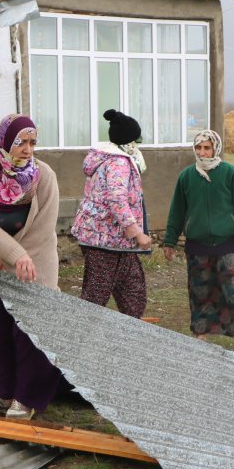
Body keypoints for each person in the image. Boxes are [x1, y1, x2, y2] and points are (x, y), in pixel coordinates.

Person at [0, 114, 67, 420]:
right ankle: (4, 393)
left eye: (33, 142)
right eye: (21, 142)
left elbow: (44, 227)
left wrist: (17, 255)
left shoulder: (43, 176)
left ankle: (27, 397)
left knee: (28, 330)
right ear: (6, 140)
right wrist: (4, 254)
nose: (28, 149)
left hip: (33, 260)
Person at [162, 129, 234, 356]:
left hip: (227, 242)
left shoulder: (231, 174)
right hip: (197, 244)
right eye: (198, 147)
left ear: (216, 148)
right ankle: (200, 335)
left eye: (207, 147)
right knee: (200, 291)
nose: (202, 152)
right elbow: (177, 212)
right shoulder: (186, 176)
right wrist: (169, 240)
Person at [70, 109, 151, 318]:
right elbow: (116, 199)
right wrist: (137, 232)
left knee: (133, 293)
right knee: (96, 298)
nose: (139, 143)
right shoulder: (118, 163)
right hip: (103, 240)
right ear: (128, 140)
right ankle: (83, 340)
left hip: (114, 240)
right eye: (137, 138)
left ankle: (130, 338)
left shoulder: (113, 159)